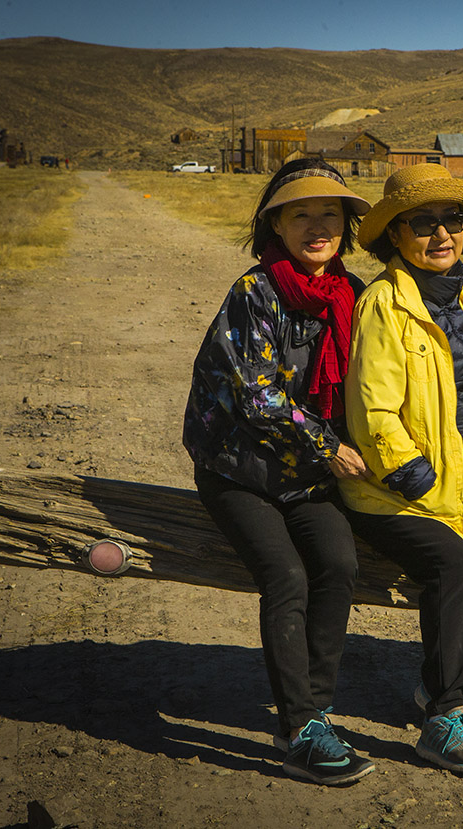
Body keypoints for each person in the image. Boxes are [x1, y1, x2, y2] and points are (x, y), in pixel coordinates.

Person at [183, 158, 376, 785]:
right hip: (237, 467)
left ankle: (316, 709)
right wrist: (329, 447)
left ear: (346, 225)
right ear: (276, 225)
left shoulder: (352, 294)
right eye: (301, 215)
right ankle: (299, 727)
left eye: (330, 214)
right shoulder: (255, 292)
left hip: (305, 473)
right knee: (287, 576)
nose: (317, 227)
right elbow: (256, 395)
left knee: (340, 565)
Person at [341, 163, 463, 775]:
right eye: (422, 223)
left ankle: (462, 677)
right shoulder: (383, 304)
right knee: (455, 562)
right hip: (396, 491)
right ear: (394, 236)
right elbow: (373, 411)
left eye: (451, 221)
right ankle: (444, 718)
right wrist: (416, 478)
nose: (442, 234)